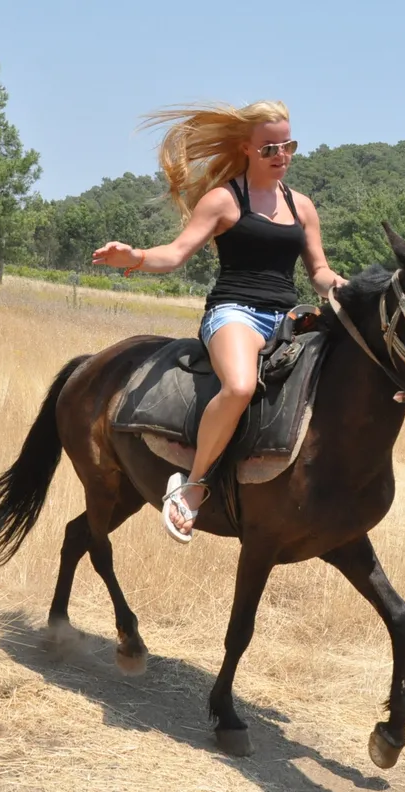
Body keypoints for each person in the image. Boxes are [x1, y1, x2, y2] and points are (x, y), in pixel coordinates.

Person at [92, 100, 347, 543]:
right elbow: (174, 254)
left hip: (287, 318)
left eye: (289, 145)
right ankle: (190, 486)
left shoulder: (301, 206)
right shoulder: (224, 199)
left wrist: (341, 287)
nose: (281, 155)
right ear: (246, 148)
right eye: (270, 148)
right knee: (241, 387)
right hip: (235, 314)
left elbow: (318, 271)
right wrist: (133, 258)